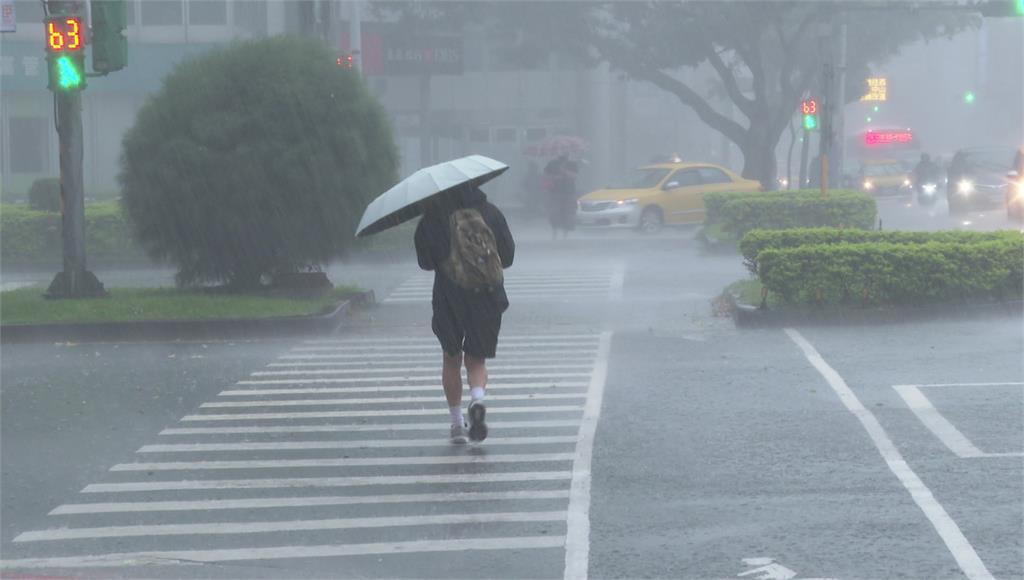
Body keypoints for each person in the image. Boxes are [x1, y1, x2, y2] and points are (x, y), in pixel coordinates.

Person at [414, 185, 515, 444]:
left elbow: (425, 263)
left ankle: (457, 423)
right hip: (487, 295)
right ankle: (478, 399)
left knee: (451, 357)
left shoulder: (432, 218)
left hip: (449, 296)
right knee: (476, 359)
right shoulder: (490, 212)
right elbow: (508, 256)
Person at [544, 154, 578, 239]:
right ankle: (554, 232)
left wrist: (565, 172)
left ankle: (565, 234)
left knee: (567, 213)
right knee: (554, 213)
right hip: (555, 193)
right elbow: (546, 175)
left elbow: (575, 176)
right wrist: (555, 178)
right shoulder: (552, 164)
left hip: (569, 192)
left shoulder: (572, 164)